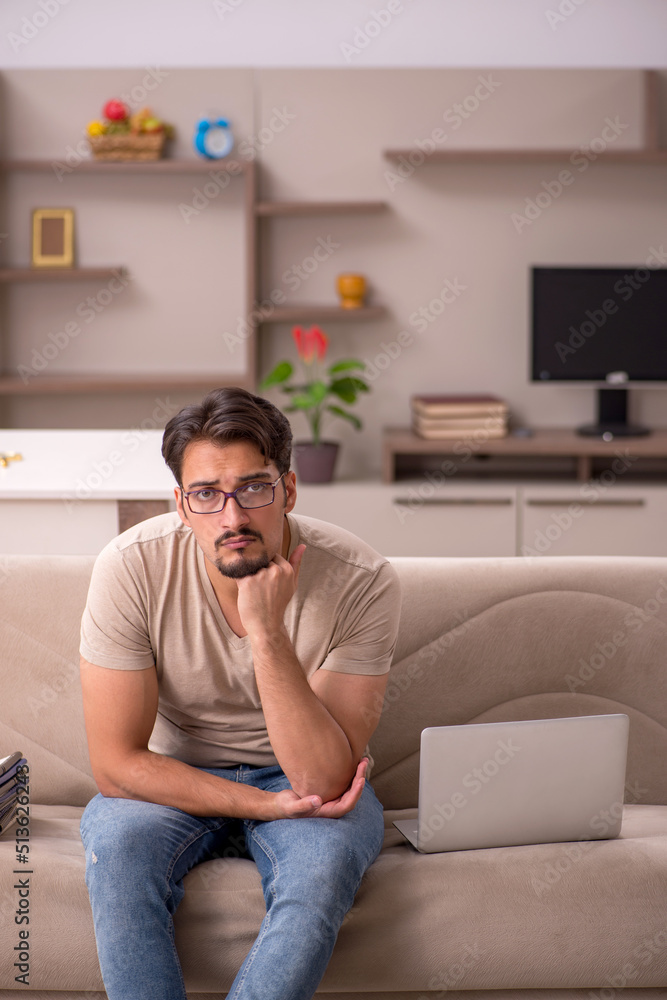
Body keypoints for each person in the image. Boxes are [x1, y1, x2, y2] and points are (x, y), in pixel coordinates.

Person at [79, 386, 401, 1000]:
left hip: (298, 780)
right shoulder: (129, 568)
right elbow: (117, 764)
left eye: (254, 488)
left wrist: (266, 632)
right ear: (180, 503)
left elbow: (322, 781)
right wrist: (258, 806)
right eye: (207, 494)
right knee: (118, 847)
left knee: (323, 867)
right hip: (170, 776)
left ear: (289, 490)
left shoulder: (363, 580)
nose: (233, 518)